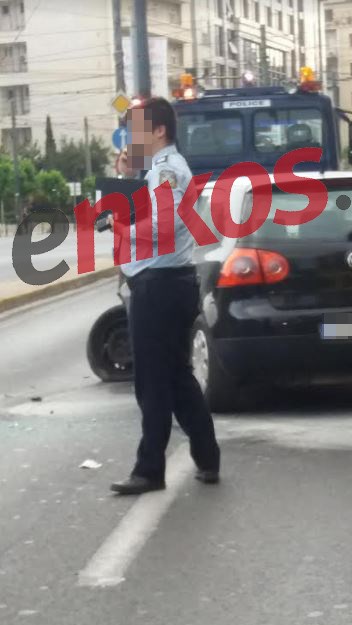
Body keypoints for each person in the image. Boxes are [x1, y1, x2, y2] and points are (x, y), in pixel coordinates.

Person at [110, 97, 220, 495]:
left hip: (159, 287)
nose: (131, 136)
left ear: (158, 131)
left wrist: (121, 227)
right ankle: (207, 457)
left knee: (153, 383)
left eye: (137, 128)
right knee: (176, 378)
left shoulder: (166, 170)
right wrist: (126, 177)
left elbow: (164, 226)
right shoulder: (159, 169)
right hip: (167, 283)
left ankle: (149, 470)